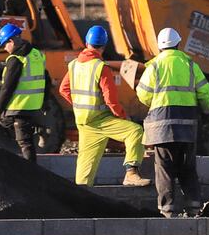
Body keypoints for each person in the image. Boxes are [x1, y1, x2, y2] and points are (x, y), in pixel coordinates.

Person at [135, 26, 209, 218]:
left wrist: (154, 101)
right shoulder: (189, 64)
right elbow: (204, 92)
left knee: (164, 168)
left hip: (162, 127)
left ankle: (168, 209)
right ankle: (194, 206)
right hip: (187, 126)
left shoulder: (154, 66)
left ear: (160, 47)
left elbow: (142, 94)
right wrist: (208, 110)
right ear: (178, 44)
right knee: (187, 167)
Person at [59, 25, 149, 187]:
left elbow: (63, 89)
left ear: (87, 43)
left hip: (84, 123)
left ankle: (80, 198)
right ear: (104, 46)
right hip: (101, 120)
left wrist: (80, 105)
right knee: (135, 132)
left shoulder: (74, 65)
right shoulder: (101, 67)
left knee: (84, 172)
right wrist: (123, 116)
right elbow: (111, 100)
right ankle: (131, 173)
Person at [0, 22, 50, 162]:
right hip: (35, 106)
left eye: (5, 44)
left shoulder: (15, 60)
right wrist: (45, 102)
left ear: (11, 41)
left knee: (25, 143)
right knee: (23, 135)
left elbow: (7, 87)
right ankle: (41, 127)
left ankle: (30, 174)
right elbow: (46, 79)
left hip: (20, 107)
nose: (5, 48)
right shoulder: (37, 54)